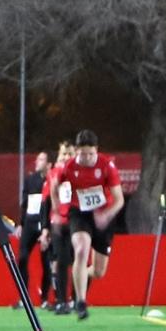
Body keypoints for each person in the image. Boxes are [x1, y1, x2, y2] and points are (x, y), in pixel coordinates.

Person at [54, 129, 124, 320]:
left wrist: (106, 215)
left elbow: (119, 199)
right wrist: (57, 210)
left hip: (103, 215)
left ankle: (81, 275)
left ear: (97, 150)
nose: (87, 158)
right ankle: (81, 302)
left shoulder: (107, 166)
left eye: (91, 154)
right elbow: (54, 185)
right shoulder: (69, 167)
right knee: (81, 250)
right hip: (79, 213)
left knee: (99, 272)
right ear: (77, 151)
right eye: (83, 154)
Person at [41, 140, 76, 313]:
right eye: (63, 154)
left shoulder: (80, 173)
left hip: (77, 221)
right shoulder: (53, 174)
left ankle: (77, 299)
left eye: (70, 154)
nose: (66, 157)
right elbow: (46, 201)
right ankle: (62, 300)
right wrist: (45, 229)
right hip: (58, 223)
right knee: (60, 261)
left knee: (79, 261)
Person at [15, 151, 52, 309]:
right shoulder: (30, 179)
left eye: (41, 159)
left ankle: (44, 298)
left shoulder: (53, 180)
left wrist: (49, 227)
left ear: (49, 164)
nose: (37, 161)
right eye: (37, 159)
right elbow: (25, 202)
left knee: (47, 262)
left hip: (46, 224)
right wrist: (20, 223)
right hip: (30, 222)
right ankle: (23, 297)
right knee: (22, 257)